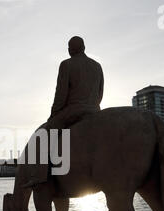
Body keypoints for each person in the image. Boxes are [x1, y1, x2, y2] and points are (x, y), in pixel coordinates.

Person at [23, 36, 104, 188]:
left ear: (70, 49)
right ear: (84, 47)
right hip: (94, 111)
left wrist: (53, 115)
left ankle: (39, 176)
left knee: (44, 134)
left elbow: (60, 95)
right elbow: (100, 93)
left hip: (73, 111)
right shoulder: (97, 66)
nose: (68, 50)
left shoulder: (66, 64)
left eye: (69, 47)